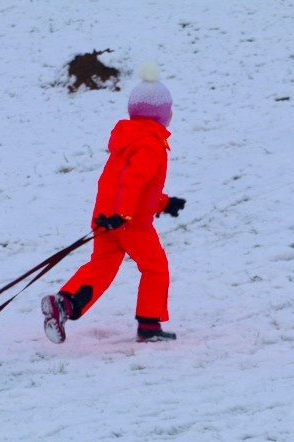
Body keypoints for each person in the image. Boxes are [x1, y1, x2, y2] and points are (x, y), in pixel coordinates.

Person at [41, 61, 186, 344]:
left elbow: (129, 186)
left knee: (102, 265)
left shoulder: (127, 141)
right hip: (129, 222)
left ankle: (65, 304)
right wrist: (125, 215)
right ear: (162, 114)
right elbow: (132, 183)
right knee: (155, 268)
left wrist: (163, 203)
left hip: (107, 217)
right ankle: (149, 325)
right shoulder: (151, 143)